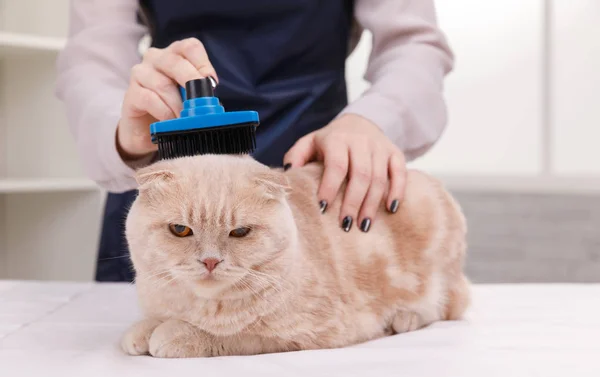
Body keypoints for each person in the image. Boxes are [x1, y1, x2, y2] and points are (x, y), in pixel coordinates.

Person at [55, 0, 454, 282]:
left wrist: (371, 121)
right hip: (170, 190)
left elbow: (413, 43)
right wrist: (126, 135)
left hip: (311, 183)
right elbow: (91, 59)